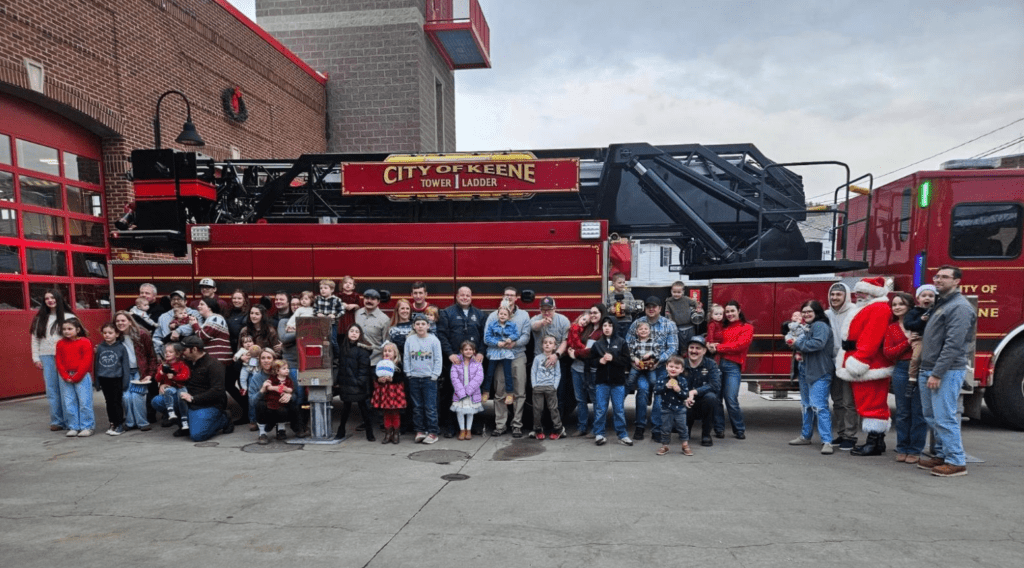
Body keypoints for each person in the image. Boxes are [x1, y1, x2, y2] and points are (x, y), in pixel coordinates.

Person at [917, 266, 975, 477]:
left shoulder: (959, 307)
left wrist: (937, 373)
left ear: (957, 281)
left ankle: (956, 461)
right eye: (937, 276)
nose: (938, 280)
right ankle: (941, 455)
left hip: (946, 371)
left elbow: (953, 345)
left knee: (944, 417)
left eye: (945, 277)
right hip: (930, 368)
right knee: (932, 417)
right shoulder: (942, 303)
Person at [836, 276, 895, 456]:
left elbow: (871, 338)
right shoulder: (869, 306)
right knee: (867, 402)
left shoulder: (878, 308)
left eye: (862, 291)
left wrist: (859, 361)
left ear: (873, 292)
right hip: (865, 363)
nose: (858, 294)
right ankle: (877, 442)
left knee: (872, 403)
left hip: (869, 365)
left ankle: (873, 443)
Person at [625, 296, 679, 442]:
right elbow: (627, 344)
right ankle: (640, 427)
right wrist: (633, 360)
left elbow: (673, 348)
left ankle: (656, 428)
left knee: (659, 394)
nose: (651, 309)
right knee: (642, 391)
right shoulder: (637, 323)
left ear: (660, 309)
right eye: (648, 306)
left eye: (654, 306)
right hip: (641, 368)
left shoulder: (669, 325)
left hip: (661, 367)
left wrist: (658, 360)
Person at [883, 292, 927, 464]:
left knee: (919, 411)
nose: (897, 307)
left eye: (901, 304)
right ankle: (902, 447)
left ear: (909, 306)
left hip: (921, 369)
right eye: (894, 305)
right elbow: (888, 353)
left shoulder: (919, 324)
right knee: (902, 412)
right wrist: (907, 342)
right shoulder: (891, 328)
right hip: (901, 369)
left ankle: (915, 449)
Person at [437, 286, 487, 437]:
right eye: (462, 295)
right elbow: (442, 335)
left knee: (474, 393)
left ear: (471, 297)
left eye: (468, 295)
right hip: (455, 362)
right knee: (452, 394)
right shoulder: (447, 313)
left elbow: (485, 336)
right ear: (457, 296)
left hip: (474, 362)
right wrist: (450, 354)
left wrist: (482, 353)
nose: (465, 297)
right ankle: (452, 427)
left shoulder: (480, 314)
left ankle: (475, 427)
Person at [787, 300, 835, 455]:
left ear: (817, 312)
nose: (806, 314)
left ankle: (827, 441)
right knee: (806, 405)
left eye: (810, 311)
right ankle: (805, 436)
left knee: (819, 407)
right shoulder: (809, 326)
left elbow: (818, 344)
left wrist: (797, 344)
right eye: (804, 311)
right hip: (806, 369)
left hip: (820, 371)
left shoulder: (820, 325)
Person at [485, 287, 531, 438]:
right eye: (506, 295)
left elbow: (526, 336)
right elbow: (486, 337)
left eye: (512, 295)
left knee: (519, 392)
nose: (509, 297)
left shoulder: (524, 315)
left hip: (517, 355)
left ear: (517, 298)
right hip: (499, 357)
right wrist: (499, 344)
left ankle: (517, 425)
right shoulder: (493, 316)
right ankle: (500, 425)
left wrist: (514, 344)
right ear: (503, 297)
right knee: (500, 392)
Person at [30, 288, 75, 432]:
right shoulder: (39, 318)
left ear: (59, 299)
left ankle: (70, 421)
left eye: (52, 297)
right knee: (52, 390)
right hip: (46, 356)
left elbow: (77, 338)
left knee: (66, 389)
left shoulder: (68, 316)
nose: (50, 300)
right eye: (47, 298)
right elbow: (35, 340)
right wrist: (36, 358)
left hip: (64, 356)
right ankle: (56, 421)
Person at [708, 300, 753, 439]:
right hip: (717, 365)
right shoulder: (722, 326)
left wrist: (719, 348)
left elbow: (740, 345)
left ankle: (739, 429)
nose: (729, 314)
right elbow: (711, 339)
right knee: (716, 399)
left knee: (731, 399)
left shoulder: (747, 327)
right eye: (727, 312)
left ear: (739, 310)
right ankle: (719, 429)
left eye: (732, 311)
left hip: (733, 367)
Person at [177, 335, 233, 442]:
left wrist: (194, 399)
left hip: (208, 404)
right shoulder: (186, 362)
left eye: (184, 350)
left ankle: (224, 419)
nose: (182, 352)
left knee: (197, 436)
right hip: (188, 400)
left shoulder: (214, 365)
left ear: (194, 349)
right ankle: (186, 423)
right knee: (158, 401)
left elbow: (218, 391)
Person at [824, 282, 858, 450]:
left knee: (848, 401)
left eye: (839, 295)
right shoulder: (826, 314)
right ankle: (842, 433)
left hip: (847, 361)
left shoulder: (854, 312)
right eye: (832, 295)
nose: (835, 298)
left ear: (846, 296)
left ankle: (851, 437)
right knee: (837, 400)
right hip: (831, 362)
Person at [589, 315, 631, 446]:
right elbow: (590, 361)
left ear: (614, 327)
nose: (607, 328)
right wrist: (599, 361)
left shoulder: (621, 342)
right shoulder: (597, 344)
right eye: (605, 326)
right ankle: (599, 433)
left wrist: (613, 358)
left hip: (618, 383)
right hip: (602, 383)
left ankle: (622, 435)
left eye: (610, 325)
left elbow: (626, 361)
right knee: (601, 409)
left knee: (619, 409)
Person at [113, 311, 158, 428]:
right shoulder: (116, 336)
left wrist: (150, 373)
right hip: (125, 372)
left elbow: (152, 356)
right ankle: (130, 423)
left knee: (137, 395)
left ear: (129, 321)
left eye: (123, 320)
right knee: (126, 397)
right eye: (117, 321)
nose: (120, 323)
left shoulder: (142, 334)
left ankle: (143, 423)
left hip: (140, 371)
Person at [566, 304, 606, 437]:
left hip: (592, 370)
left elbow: (593, 352)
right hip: (576, 368)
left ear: (602, 314)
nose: (593, 315)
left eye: (596, 313)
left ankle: (597, 429)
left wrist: (576, 354)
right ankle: (582, 427)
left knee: (595, 399)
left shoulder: (602, 331)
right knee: (580, 399)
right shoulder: (585, 328)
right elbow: (573, 339)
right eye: (591, 313)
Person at [405, 314, 443, 444]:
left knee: (430, 406)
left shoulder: (434, 340)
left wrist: (435, 375)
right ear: (414, 326)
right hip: (414, 377)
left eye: (423, 324)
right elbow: (406, 357)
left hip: (429, 378)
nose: (420, 326)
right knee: (417, 406)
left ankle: (433, 432)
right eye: (417, 324)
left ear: (428, 326)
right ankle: (419, 430)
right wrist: (408, 372)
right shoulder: (410, 340)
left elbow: (438, 359)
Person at [334, 324, 375, 442]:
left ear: (360, 335)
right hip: (346, 384)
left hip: (358, 385)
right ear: (347, 333)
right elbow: (341, 366)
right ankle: (341, 431)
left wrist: (359, 382)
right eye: (351, 331)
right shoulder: (343, 347)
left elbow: (364, 369)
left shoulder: (363, 350)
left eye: (357, 331)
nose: (354, 333)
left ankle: (370, 433)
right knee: (345, 409)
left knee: (364, 409)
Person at [55, 317, 94, 437]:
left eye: (70, 329)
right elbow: (59, 361)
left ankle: (87, 426)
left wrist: (77, 376)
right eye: (64, 329)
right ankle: (73, 426)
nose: (66, 331)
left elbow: (86, 361)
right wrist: (65, 376)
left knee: (84, 402)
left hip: (81, 376)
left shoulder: (85, 342)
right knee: (68, 402)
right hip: (66, 377)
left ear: (77, 329)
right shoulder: (60, 343)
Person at [679, 336, 721, 446]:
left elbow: (715, 385)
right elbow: (673, 382)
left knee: (711, 398)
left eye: (698, 348)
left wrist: (694, 392)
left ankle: (706, 434)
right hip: (685, 401)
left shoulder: (711, 364)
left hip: (703, 401)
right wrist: (684, 396)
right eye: (691, 347)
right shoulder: (681, 364)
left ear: (704, 351)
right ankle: (685, 431)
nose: (694, 351)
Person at [94, 322, 131, 437]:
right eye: (105, 333)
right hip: (104, 379)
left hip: (116, 379)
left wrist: (125, 381)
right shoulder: (100, 347)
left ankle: (119, 424)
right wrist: (97, 381)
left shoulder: (121, 348)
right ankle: (112, 423)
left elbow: (125, 366)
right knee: (108, 402)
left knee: (116, 402)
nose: (107, 335)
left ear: (117, 334)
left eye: (110, 333)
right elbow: (96, 365)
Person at [656, 355, 693, 456]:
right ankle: (665, 445)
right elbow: (656, 390)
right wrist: (665, 387)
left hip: (680, 409)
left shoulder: (683, 381)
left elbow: (685, 395)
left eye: (677, 367)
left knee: (682, 427)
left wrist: (678, 390)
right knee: (665, 427)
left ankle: (685, 445)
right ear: (666, 366)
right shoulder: (662, 379)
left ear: (681, 370)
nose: (673, 369)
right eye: (671, 366)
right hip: (666, 408)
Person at [256, 360, 300, 444]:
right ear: (277, 371)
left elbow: (291, 389)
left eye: (287, 368)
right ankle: (265, 430)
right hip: (271, 400)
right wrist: (274, 388)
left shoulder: (288, 380)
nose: (287, 370)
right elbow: (268, 386)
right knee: (265, 408)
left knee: (282, 411)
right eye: (284, 368)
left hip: (282, 402)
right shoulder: (273, 378)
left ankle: (281, 430)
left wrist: (287, 390)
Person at [530, 335, 565, 440]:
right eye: (545, 342)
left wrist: (555, 386)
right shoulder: (537, 358)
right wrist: (534, 385)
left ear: (555, 347)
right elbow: (533, 372)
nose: (547, 344)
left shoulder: (556, 360)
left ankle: (558, 429)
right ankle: (537, 430)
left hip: (550, 387)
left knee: (553, 409)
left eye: (550, 343)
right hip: (538, 387)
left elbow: (558, 374)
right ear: (542, 345)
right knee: (537, 409)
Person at [450, 340, 485, 441]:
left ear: (474, 351)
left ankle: (468, 430)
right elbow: (454, 378)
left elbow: (479, 377)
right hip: (459, 392)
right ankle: (462, 430)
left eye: (470, 349)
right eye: (466, 349)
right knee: (460, 411)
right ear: (461, 351)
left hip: (472, 393)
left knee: (470, 411)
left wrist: (469, 390)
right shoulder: (457, 363)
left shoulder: (477, 363)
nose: (468, 351)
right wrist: (461, 391)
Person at [372, 342, 406, 444]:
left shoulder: (398, 365)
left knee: (395, 413)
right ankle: (388, 433)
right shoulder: (380, 364)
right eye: (385, 351)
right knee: (386, 413)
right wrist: (379, 379)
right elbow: (375, 375)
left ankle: (396, 434)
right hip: (385, 391)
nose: (387, 353)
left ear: (395, 353)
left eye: (390, 351)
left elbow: (401, 377)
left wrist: (392, 379)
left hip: (395, 391)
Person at [485, 303, 519, 405]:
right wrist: (497, 343)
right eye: (501, 314)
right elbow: (487, 337)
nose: (503, 316)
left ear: (509, 316)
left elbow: (516, 334)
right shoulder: (492, 325)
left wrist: (510, 339)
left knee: (507, 373)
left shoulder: (512, 325)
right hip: (495, 351)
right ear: (498, 314)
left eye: (505, 314)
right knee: (490, 373)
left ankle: (509, 393)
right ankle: (486, 391)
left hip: (505, 351)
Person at [152, 342, 190, 430]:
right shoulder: (163, 365)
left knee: (182, 399)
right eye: (166, 352)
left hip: (180, 387)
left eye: (170, 352)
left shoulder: (181, 364)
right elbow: (157, 379)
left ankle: (184, 419)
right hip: (170, 389)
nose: (167, 354)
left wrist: (175, 377)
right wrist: (161, 373)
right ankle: (170, 413)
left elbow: (185, 376)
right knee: (165, 394)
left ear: (177, 354)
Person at [904, 284, 937, 386]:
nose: (927, 298)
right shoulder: (914, 312)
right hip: (919, 338)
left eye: (931, 296)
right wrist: (921, 320)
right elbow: (908, 325)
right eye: (924, 295)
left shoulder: (936, 311)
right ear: (918, 298)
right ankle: (912, 377)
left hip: (933, 340)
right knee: (916, 357)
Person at [152, 290, 199, 357]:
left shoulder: (195, 313)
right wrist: (159, 353)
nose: (176, 301)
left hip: (189, 353)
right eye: (173, 299)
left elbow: (196, 328)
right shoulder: (163, 317)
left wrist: (177, 331)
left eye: (179, 299)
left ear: (185, 301)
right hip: (169, 354)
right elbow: (157, 337)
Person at [355, 289, 390, 365]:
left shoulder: (384, 319)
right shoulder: (357, 313)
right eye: (367, 298)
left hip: (375, 361)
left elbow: (386, 342)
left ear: (378, 301)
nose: (369, 301)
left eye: (373, 299)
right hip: (357, 359)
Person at [664, 281, 704, 347]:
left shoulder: (686, 299)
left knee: (690, 342)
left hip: (689, 325)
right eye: (674, 292)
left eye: (679, 292)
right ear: (671, 291)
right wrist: (670, 321)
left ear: (683, 292)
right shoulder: (669, 301)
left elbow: (695, 303)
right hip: (677, 327)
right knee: (679, 344)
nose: (676, 294)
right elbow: (667, 312)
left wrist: (698, 308)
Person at [314, 279, 345, 357]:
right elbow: (314, 309)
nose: (322, 290)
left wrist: (335, 315)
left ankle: (337, 357)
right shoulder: (318, 299)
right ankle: (324, 357)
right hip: (320, 324)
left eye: (325, 288)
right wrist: (317, 314)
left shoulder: (336, 300)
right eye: (321, 288)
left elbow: (342, 311)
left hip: (332, 324)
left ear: (332, 290)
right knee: (321, 341)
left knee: (333, 341)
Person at [606, 272, 635, 337]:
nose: (622, 284)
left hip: (627, 322)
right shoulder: (610, 296)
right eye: (619, 283)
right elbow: (606, 309)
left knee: (626, 339)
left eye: (623, 282)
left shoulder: (629, 294)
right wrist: (610, 310)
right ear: (613, 283)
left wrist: (626, 307)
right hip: (615, 322)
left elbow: (634, 308)